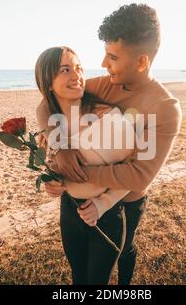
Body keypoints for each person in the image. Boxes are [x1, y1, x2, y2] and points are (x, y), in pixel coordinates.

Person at [37, 3, 183, 285]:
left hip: (125, 201)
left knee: (126, 249)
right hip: (83, 195)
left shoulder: (164, 108)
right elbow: (49, 99)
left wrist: (73, 171)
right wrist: (61, 144)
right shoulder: (108, 84)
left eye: (112, 57)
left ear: (141, 62)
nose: (104, 64)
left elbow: (139, 175)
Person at [35, 45, 139, 284]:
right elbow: (51, 165)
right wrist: (53, 184)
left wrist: (103, 204)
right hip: (69, 210)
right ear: (48, 82)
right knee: (78, 278)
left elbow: (133, 169)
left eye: (79, 68)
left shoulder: (107, 117)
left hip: (107, 215)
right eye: (65, 69)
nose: (77, 75)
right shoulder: (51, 122)